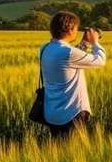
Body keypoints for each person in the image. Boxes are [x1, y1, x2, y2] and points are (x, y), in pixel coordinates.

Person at [40, 10, 106, 140]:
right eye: (76, 28)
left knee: (58, 150)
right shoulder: (68, 53)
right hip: (71, 112)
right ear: (70, 29)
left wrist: (83, 44)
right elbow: (100, 61)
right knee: (74, 152)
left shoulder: (44, 48)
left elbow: (69, 58)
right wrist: (94, 42)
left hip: (52, 112)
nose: (77, 31)